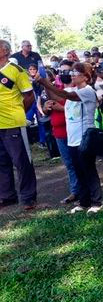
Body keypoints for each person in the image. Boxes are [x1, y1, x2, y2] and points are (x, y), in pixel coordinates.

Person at [37, 62, 103, 214]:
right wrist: (45, 84)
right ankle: (83, 202)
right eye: (72, 73)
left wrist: (45, 81)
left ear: (86, 77)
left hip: (85, 137)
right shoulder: (72, 89)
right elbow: (56, 95)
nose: (72, 75)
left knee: (89, 170)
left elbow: (66, 96)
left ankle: (97, 202)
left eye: (76, 73)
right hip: (72, 138)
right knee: (78, 171)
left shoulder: (87, 91)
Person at [0, 39, 37, 210]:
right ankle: (7, 196)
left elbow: (29, 96)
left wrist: (18, 112)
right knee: (2, 162)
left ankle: (28, 197)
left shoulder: (16, 71)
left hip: (13, 123)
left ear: (5, 51)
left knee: (21, 161)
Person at [44, 60, 81, 204]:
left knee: (79, 163)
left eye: (67, 71)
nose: (64, 74)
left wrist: (58, 105)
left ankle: (85, 191)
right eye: (61, 71)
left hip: (73, 133)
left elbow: (64, 104)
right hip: (58, 133)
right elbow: (48, 107)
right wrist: (47, 107)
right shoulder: (56, 88)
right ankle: (75, 191)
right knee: (69, 164)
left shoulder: (77, 90)